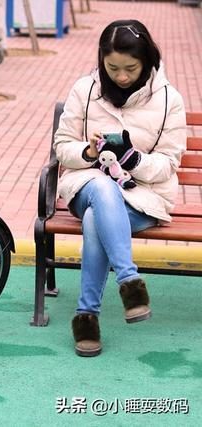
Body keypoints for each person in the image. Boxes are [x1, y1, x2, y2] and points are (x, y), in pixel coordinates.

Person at [53, 19, 187, 357]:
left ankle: (87, 316)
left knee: (94, 220)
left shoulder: (169, 99)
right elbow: (63, 145)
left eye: (130, 68)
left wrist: (133, 159)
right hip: (86, 184)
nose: (122, 77)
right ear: (102, 60)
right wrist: (88, 152)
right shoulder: (85, 89)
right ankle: (129, 280)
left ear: (147, 60)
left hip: (142, 197)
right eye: (113, 68)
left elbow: (168, 164)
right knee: (101, 187)